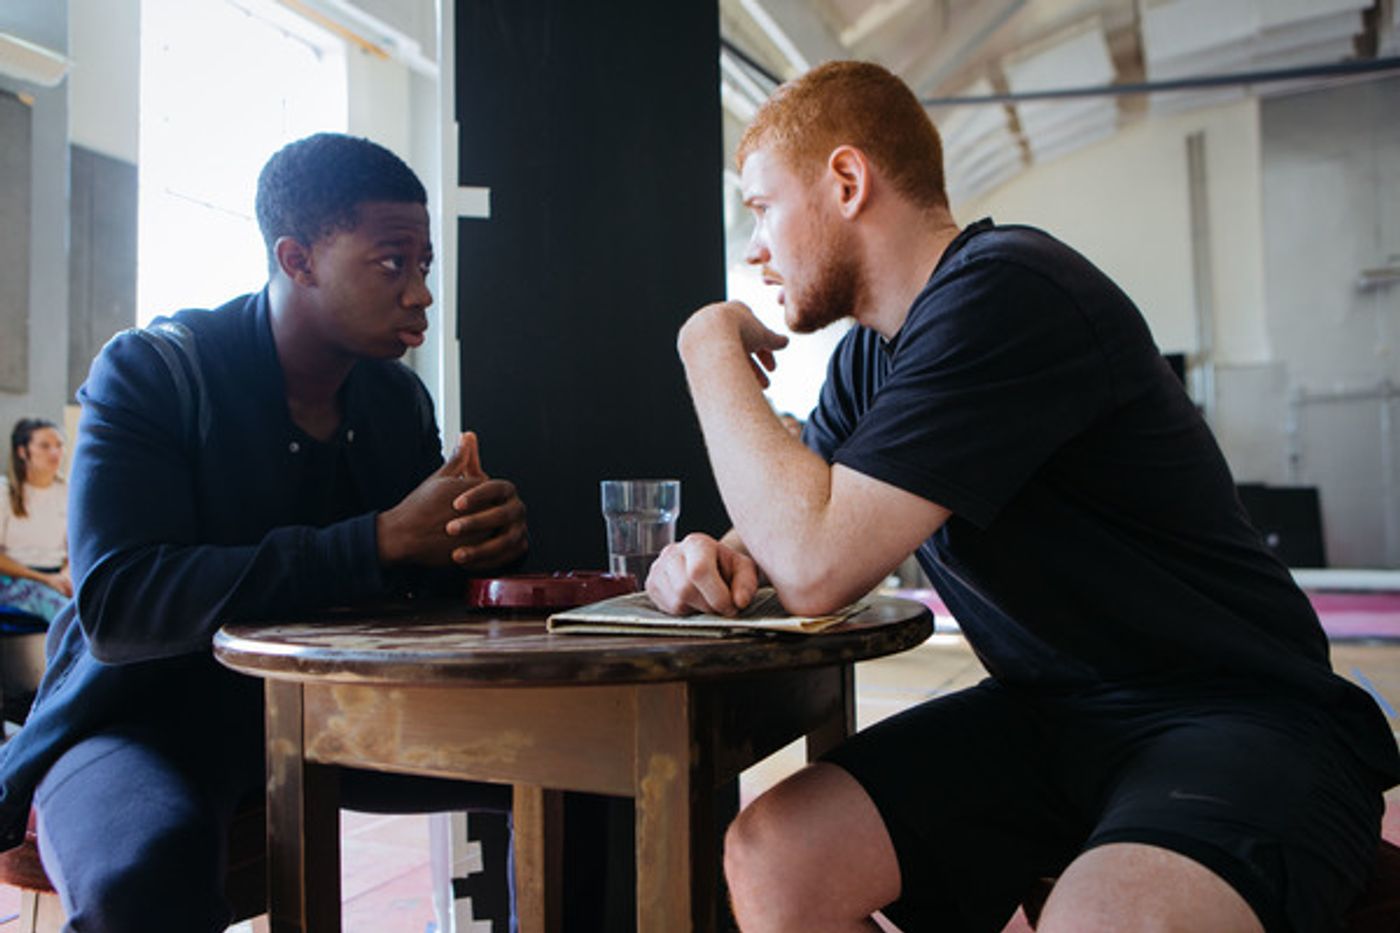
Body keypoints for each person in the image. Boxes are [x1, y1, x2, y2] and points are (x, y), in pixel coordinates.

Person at [647, 62, 1400, 933]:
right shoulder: (868, 362)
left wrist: (706, 343)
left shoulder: (1006, 290)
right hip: (1054, 714)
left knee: (1100, 922)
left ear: (847, 181)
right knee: (776, 855)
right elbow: (776, 542)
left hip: (1236, 714)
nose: (755, 248)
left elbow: (815, 566)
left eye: (761, 208)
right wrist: (701, 560)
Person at [0, 133, 529, 931]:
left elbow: (424, 585)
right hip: (144, 719)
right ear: (297, 259)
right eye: (392, 263)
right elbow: (119, 604)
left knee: (586, 770)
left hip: (334, 711)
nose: (420, 293)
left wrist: (483, 541)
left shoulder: (395, 401)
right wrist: (378, 539)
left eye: (425, 265)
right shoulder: (152, 372)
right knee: (145, 875)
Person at [0, 418, 70, 623]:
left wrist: (66, 576)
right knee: (63, 611)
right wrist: (46, 579)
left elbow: (73, 549)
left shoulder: (68, 492)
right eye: (45, 446)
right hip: (14, 578)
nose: (55, 452)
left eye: (59, 445)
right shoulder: (4, 492)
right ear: (23, 452)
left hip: (56, 576)